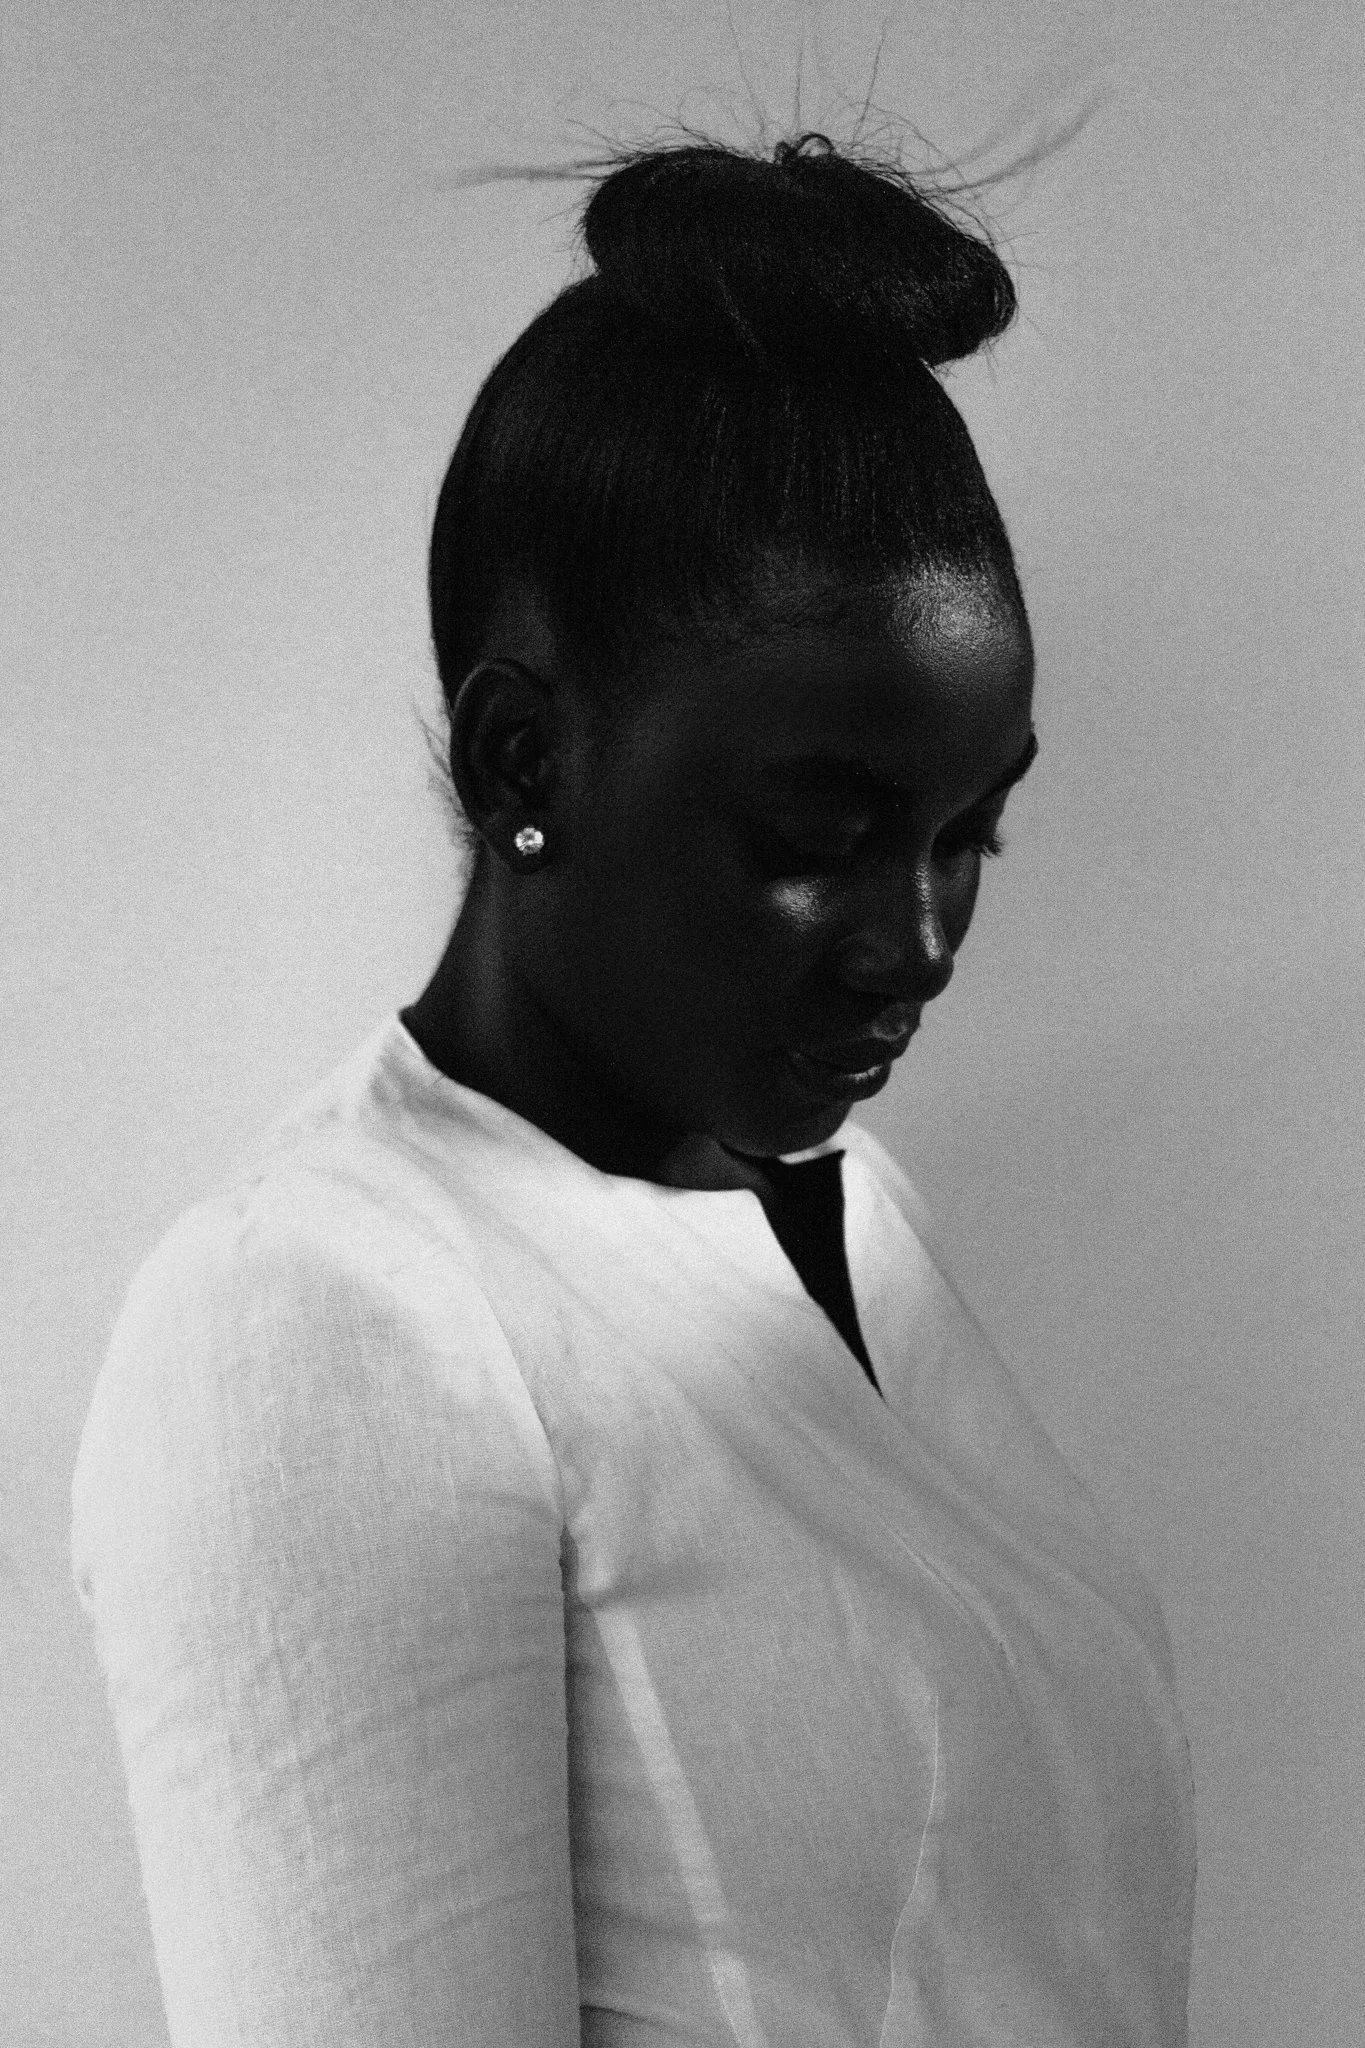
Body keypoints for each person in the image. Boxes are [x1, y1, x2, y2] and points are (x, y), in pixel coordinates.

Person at [71, 134, 1196, 2046]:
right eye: (816, 834)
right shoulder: (330, 1324)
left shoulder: (843, 1200)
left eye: (968, 835)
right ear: (528, 754)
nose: (917, 943)